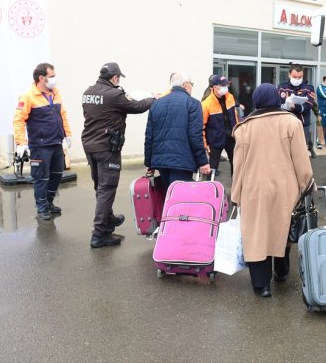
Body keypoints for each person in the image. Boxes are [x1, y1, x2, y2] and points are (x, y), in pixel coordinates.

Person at [231, 83, 313, 298]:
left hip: (254, 188)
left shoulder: (244, 127)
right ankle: (282, 272)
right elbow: (301, 162)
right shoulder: (291, 122)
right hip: (286, 187)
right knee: (282, 228)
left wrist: (236, 194)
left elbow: (238, 165)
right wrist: (307, 185)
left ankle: (261, 285)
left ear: (256, 101)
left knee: (257, 234)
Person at [82, 62, 155, 248]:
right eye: (119, 77)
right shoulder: (114, 94)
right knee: (107, 189)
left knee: (100, 187)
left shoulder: (88, 92)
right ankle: (99, 235)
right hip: (107, 148)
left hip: (90, 145)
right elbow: (138, 106)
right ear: (114, 78)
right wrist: (153, 98)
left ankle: (107, 221)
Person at [13, 63, 72, 221]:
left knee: (57, 174)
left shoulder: (55, 93)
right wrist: (21, 142)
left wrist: (68, 134)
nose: (55, 79)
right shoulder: (28, 96)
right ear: (41, 78)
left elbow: (62, 114)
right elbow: (18, 120)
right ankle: (41, 207)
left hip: (56, 142)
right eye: (52, 76)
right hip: (40, 145)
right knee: (41, 178)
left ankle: (49, 203)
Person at [144, 71, 211, 185]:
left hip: (161, 162)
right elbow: (195, 135)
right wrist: (203, 162)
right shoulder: (192, 103)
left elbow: (149, 136)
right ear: (185, 85)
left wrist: (149, 163)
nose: (192, 87)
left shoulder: (156, 104)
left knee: (168, 197)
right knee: (180, 199)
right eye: (191, 84)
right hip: (182, 162)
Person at [201, 75, 239, 177]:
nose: (225, 87)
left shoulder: (230, 97)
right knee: (212, 167)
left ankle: (236, 190)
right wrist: (205, 144)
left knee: (236, 165)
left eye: (226, 84)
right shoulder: (206, 104)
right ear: (214, 87)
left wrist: (238, 133)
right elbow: (201, 126)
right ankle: (209, 191)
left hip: (231, 137)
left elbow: (235, 116)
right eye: (222, 85)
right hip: (215, 140)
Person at [278, 63, 317, 158]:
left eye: (300, 77)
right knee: (286, 151)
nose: (297, 79)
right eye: (295, 77)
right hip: (286, 124)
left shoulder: (309, 88)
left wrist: (295, 107)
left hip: (302, 124)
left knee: (301, 152)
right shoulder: (282, 87)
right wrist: (285, 105)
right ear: (289, 75)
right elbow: (279, 103)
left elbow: (308, 106)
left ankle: (303, 171)